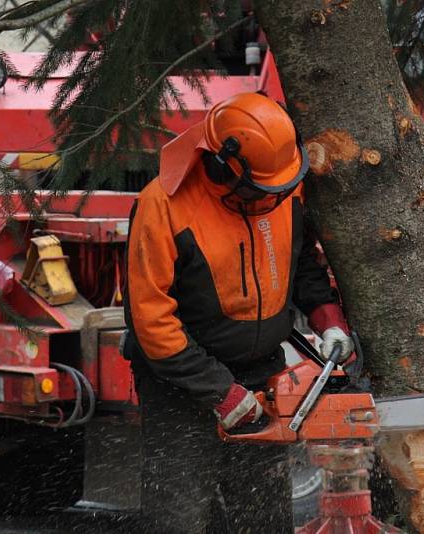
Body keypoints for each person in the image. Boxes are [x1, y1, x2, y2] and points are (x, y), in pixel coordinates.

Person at [123, 92, 353, 533]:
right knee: (180, 516)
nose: (275, 198)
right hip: (182, 383)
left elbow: (301, 263)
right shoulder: (165, 205)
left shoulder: (282, 184)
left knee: (263, 516)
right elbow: (151, 321)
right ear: (225, 167)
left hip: (262, 371)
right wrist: (219, 392)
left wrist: (329, 321)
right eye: (264, 190)